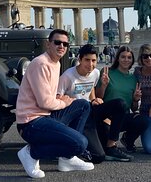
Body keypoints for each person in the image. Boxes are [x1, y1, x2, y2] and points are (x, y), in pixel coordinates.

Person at [16, 29, 94, 178]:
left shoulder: (55, 63)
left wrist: (60, 101)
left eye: (65, 43)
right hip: (31, 122)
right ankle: (31, 153)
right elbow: (45, 102)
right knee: (80, 144)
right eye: (57, 42)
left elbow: (49, 99)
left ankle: (67, 159)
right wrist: (62, 103)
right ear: (48, 44)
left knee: (83, 105)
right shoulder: (41, 63)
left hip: (45, 115)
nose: (61, 46)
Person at [58, 44, 132, 163]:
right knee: (98, 157)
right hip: (78, 117)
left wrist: (95, 97)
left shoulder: (96, 73)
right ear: (79, 59)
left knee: (120, 104)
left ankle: (111, 145)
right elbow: (57, 97)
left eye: (93, 60)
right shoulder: (67, 76)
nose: (90, 64)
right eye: (87, 60)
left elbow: (91, 88)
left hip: (91, 110)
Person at [95, 45, 149, 153]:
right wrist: (104, 85)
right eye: (123, 57)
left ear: (132, 60)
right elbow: (98, 97)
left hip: (121, 117)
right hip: (106, 117)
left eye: (129, 57)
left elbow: (133, 108)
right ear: (118, 58)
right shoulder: (107, 72)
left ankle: (128, 139)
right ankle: (109, 143)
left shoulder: (133, 79)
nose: (126, 60)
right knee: (103, 148)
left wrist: (135, 99)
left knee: (142, 120)